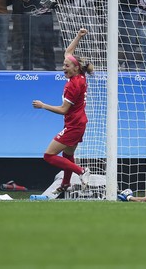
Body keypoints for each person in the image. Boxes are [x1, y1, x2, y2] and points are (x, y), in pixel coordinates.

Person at [32, 29, 94, 196]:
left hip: (74, 124)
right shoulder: (80, 76)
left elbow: (63, 109)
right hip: (78, 122)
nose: (63, 68)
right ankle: (66, 183)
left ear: (75, 68)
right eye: (64, 65)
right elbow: (68, 52)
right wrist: (79, 36)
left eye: (66, 66)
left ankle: (81, 171)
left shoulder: (72, 85)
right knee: (68, 155)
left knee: (48, 155)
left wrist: (43, 105)